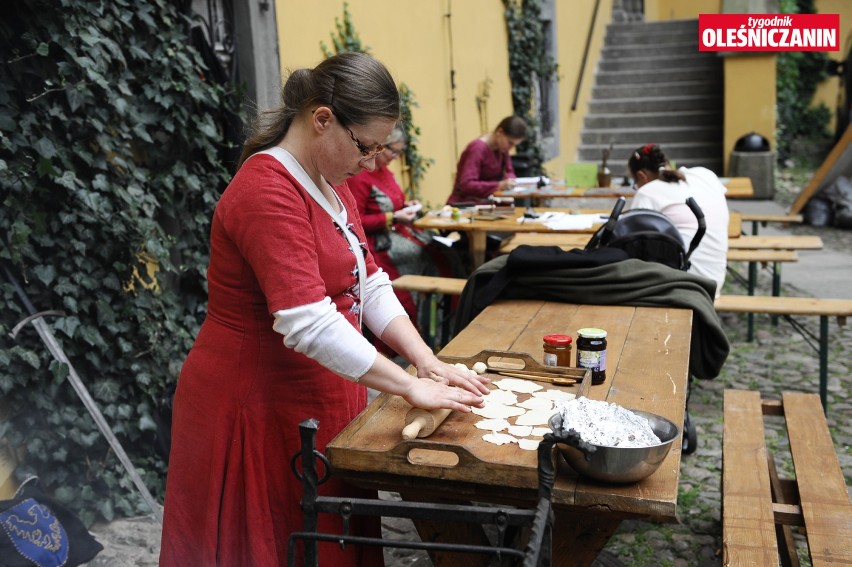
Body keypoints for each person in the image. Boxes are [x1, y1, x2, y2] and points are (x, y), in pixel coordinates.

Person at [159, 52, 489, 567]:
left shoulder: (331, 184)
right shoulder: (266, 190)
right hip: (254, 405)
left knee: (327, 540)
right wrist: (405, 384)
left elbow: (370, 282)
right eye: (368, 146)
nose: (375, 162)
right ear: (321, 120)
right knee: (273, 544)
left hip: (318, 395)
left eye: (383, 147)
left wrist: (424, 358)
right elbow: (306, 320)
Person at [348, 126, 465, 352]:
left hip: (397, 232)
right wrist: (394, 216)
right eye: (393, 151)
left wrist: (405, 207)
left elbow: (392, 203)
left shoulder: (386, 172)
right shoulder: (359, 177)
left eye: (399, 153)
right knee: (428, 257)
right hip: (378, 244)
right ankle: (418, 335)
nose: (396, 158)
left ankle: (446, 327)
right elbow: (357, 221)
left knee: (446, 254)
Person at [627, 143, 730, 297]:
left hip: (682, 288)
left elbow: (630, 244)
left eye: (635, 183)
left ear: (642, 176)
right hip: (714, 284)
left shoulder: (647, 192)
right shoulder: (706, 175)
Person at [447, 115, 528, 205]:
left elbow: (509, 171)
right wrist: (498, 185)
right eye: (510, 143)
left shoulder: (502, 149)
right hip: (465, 206)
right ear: (500, 132)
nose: (511, 148)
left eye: (514, 145)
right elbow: (467, 184)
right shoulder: (477, 149)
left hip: (490, 205)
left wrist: (510, 180)